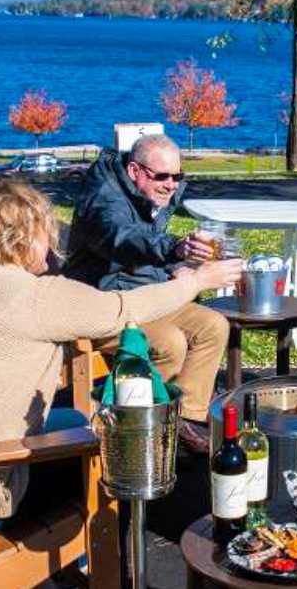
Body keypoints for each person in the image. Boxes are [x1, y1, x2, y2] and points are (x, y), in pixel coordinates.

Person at [0, 180, 242, 539]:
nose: (52, 239)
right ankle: (100, 558)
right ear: (25, 237)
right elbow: (125, 309)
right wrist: (195, 281)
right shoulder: (36, 297)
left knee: (73, 418)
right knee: (107, 455)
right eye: (46, 230)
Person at [63, 134, 226, 454]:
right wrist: (173, 248)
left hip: (147, 294)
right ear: (135, 170)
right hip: (105, 302)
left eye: (178, 177)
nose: (171, 185)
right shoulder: (103, 198)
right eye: (162, 177)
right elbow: (123, 238)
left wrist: (172, 270)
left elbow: (145, 247)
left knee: (214, 325)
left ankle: (183, 420)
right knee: (169, 343)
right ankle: (135, 428)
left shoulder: (151, 190)